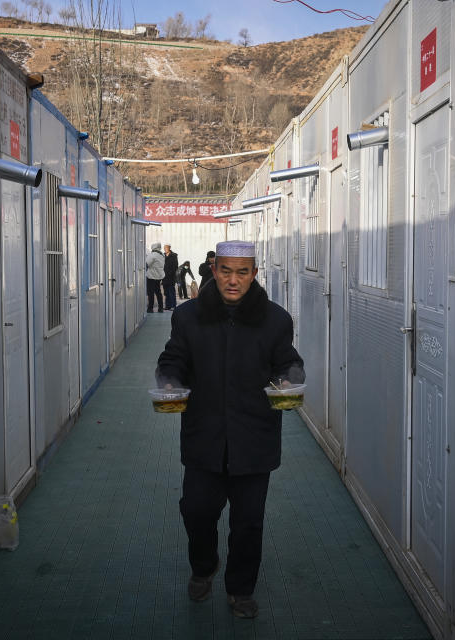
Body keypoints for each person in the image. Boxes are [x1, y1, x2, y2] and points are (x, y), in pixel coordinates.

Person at [155, 240, 305, 619]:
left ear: (254, 273)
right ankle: (204, 567)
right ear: (213, 269)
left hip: (254, 438)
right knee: (196, 511)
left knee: (248, 522)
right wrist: (170, 380)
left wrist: (289, 379)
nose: (233, 280)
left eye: (242, 272)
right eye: (226, 271)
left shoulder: (275, 319)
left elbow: (288, 362)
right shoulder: (189, 316)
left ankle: (240, 590)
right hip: (204, 434)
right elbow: (173, 358)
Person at [145, 242, 165, 313]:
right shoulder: (162, 255)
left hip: (151, 276)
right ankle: (161, 308)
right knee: (158, 292)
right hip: (159, 276)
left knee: (151, 293)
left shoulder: (153, 255)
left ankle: (150, 308)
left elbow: (146, 263)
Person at [163, 244, 179, 310]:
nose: (165, 249)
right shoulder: (163, 256)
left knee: (171, 292)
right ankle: (168, 306)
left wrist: (170, 273)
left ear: (169, 248)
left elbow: (175, 266)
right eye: (164, 248)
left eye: (166, 248)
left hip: (171, 277)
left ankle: (173, 306)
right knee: (166, 292)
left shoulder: (173, 256)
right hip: (164, 277)